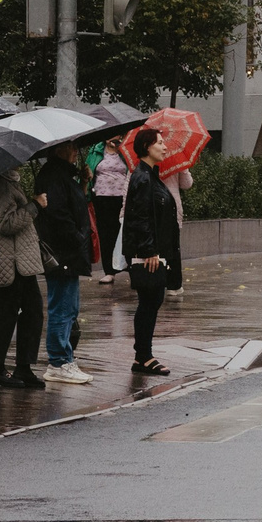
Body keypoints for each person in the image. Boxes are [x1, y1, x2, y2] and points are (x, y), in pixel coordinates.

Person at [120, 132, 182, 376]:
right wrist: (149, 250)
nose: (165, 147)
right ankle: (143, 357)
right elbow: (140, 217)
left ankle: (143, 356)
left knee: (152, 301)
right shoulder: (142, 177)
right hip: (148, 254)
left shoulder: (150, 175)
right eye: (160, 143)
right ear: (147, 146)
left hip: (155, 252)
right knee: (149, 302)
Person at [34, 145, 95, 385]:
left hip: (68, 254)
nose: (75, 151)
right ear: (58, 149)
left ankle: (64, 359)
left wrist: (83, 183)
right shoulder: (54, 176)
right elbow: (59, 215)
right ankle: (59, 362)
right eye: (70, 147)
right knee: (62, 307)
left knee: (69, 308)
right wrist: (77, 238)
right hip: (63, 254)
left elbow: (73, 206)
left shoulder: (62, 175)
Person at [0, 170, 47, 390]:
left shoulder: (10, 182)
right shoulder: (2, 186)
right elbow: (5, 223)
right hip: (11, 263)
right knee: (6, 313)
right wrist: (35, 205)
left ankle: (23, 367)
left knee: (32, 312)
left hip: (21, 263)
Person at [91, 137, 129, 283]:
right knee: (105, 234)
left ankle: (128, 265)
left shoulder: (125, 151)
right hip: (101, 198)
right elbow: (89, 169)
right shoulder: (96, 151)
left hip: (122, 198)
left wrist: (122, 149)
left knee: (123, 232)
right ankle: (109, 271)